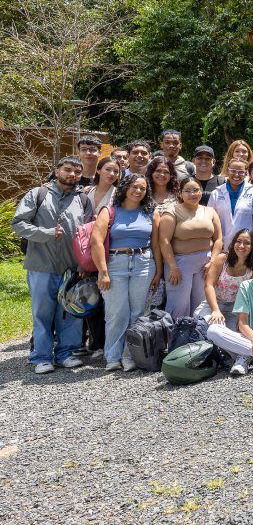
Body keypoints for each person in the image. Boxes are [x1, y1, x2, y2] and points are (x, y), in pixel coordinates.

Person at [12, 157, 93, 373]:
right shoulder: (38, 194)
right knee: (42, 314)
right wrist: (45, 233)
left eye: (77, 171)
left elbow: (88, 234)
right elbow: (18, 223)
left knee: (69, 312)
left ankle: (66, 354)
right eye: (67, 169)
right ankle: (41, 357)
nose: (72, 174)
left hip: (71, 268)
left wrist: (84, 264)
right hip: (41, 265)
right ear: (57, 171)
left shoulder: (83, 200)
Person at [90, 174, 161, 371]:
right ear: (125, 187)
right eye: (134, 187)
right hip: (115, 264)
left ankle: (129, 355)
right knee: (116, 313)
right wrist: (103, 271)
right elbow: (96, 241)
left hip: (144, 263)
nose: (138, 191)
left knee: (137, 313)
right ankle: (112, 356)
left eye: (142, 188)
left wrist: (158, 271)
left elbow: (156, 245)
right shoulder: (109, 211)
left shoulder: (151, 212)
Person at [159, 177, 223, 319]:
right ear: (180, 193)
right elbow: (164, 241)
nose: (192, 194)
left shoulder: (210, 211)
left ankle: (197, 331)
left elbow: (218, 239)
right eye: (187, 191)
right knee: (179, 305)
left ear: (201, 191)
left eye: (196, 190)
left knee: (201, 304)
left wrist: (212, 261)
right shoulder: (172, 211)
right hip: (179, 264)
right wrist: (173, 266)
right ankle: (176, 333)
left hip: (205, 263)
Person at [197, 228, 253, 331]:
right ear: (234, 243)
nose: (241, 246)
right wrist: (215, 310)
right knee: (214, 328)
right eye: (238, 241)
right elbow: (209, 285)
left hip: (235, 310)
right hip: (213, 304)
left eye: (247, 243)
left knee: (233, 335)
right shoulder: (222, 259)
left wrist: (243, 317)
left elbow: (251, 295)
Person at [209, 159, 253, 243]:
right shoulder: (216, 193)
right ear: (228, 171)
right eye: (233, 171)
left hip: (245, 245)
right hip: (221, 244)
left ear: (246, 173)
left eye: (241, 172)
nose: (236, 174)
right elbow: (210, 220)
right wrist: (214, 242)